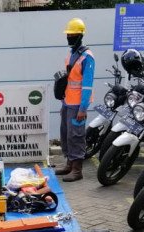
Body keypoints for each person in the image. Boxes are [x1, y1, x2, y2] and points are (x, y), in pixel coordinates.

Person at [56, 17, 95, 183]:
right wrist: (63, 102)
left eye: (72, 34)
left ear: (80, 35)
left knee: (76, 136)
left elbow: (87, 85)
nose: (69, 37)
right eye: (68, 34)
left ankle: (77, 170)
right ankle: (69, 164)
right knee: (65, 134)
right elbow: (69, 80)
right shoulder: (72, 54)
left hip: (78, 104)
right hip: (67, 102)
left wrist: (83, 108)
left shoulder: (87, 57)